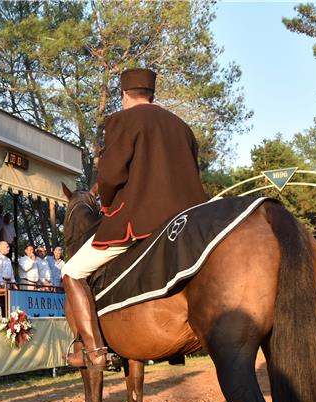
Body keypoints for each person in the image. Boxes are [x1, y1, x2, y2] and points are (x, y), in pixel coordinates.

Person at [62, 68, 208, 369]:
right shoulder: (182, 127)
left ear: (125, 95)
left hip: (141, 221)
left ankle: (94, 350)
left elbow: (111, 176)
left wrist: (107, 206)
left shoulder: (122, 120)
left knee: (72, 270)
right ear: (152, 94)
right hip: (189, 222)